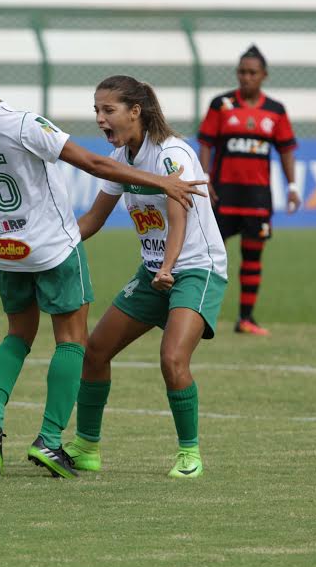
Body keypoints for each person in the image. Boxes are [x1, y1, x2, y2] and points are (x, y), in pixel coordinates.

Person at [0, 63, 206, 479]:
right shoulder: (24, 123)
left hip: (4, 249)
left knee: (17, 335)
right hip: (51, 247)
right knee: (73, 343)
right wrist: (160, 181)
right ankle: (48, 439)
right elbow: (94, 163)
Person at [63, 75, 227, 479]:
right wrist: (50, 244)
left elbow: (179, 214)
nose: (100, 119)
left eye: (108, 110)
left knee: (173, 358)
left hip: (194, 269)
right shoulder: (122, 162)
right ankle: (86, 448)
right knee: (95, 351)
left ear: (135, 111)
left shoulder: (172, 154)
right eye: (96, 110)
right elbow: (93, 220)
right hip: (155, 272)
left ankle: (190, 455)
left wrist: (169, 267)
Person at [197, 44, 300, 336]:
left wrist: (292, 186)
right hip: (223, 195)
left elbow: (286, 151)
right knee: (207, 255)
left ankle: (246, 318)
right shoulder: (222, 105)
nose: (246, 77)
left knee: (253, 256)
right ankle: (196, 316)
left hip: (257, 198)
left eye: (252, 72)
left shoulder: (275, 111)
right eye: (241, 71)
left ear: (264, 75)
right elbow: (206, 142)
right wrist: (205, 177)